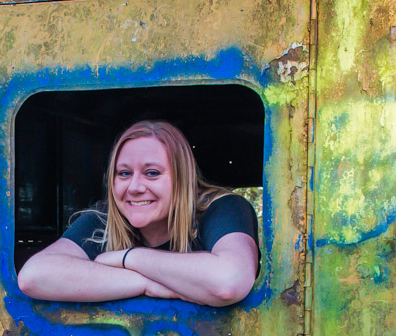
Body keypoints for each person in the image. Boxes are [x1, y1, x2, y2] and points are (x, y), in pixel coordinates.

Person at [17, 120, 259, 306]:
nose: (134, 187)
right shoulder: (104, 219)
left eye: (152, 173)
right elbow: (34, 276)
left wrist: (129, 258)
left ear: (183, 179)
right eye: (124, 173)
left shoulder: (222, 208)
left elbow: (229, 282)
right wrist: (146, 284)